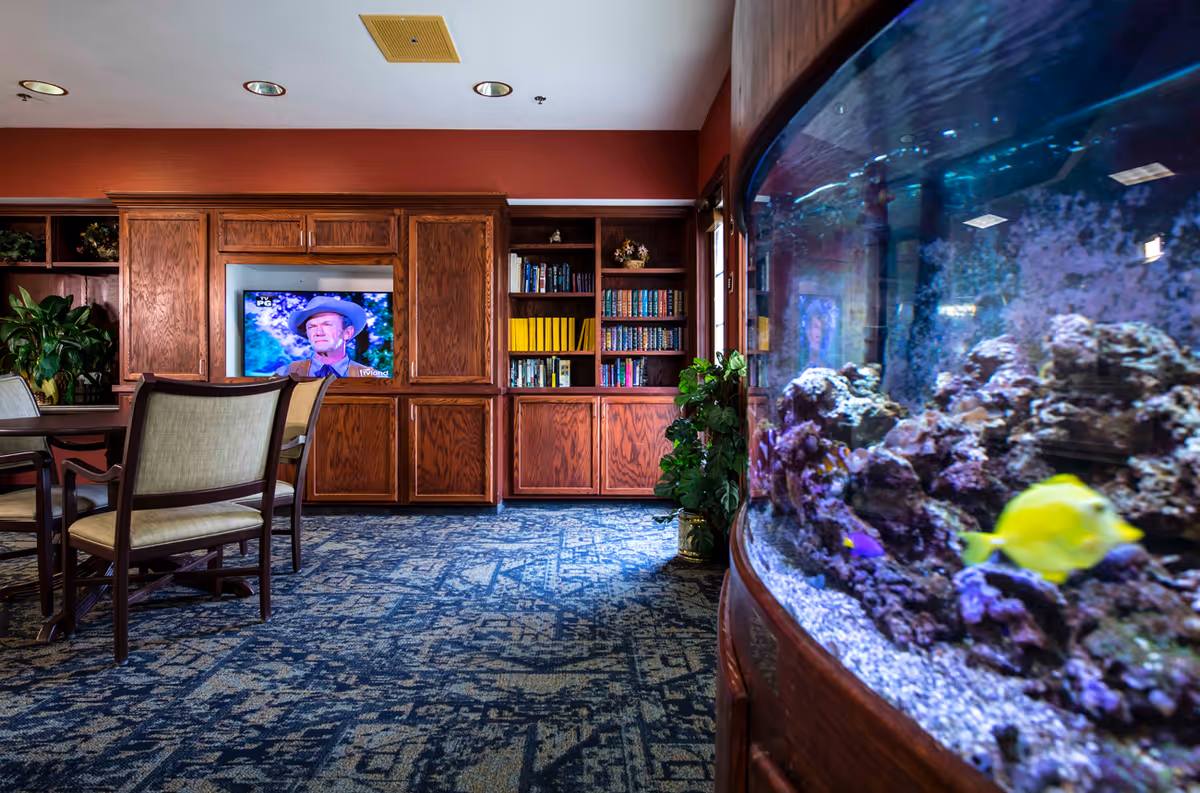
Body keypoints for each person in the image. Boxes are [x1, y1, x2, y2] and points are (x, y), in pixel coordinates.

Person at [277, 296, 386, 377]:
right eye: (312, 327)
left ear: (348, 332)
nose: (319, 332)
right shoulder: (286, 373)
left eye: (327, 324)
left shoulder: (374, 377)